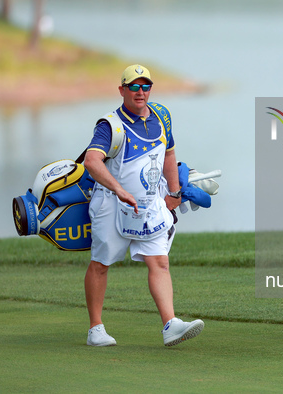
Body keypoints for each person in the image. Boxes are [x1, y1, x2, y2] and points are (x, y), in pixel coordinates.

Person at [83, 64, 204, 347]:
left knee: (159, 261)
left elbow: (169, 154)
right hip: (110, 204)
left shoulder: (161, 115)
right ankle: (95, 328)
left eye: (145, 86)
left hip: (149, 205)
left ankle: (170, 324)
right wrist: (120, 190)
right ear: (122, 90)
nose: (140, 92)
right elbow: (91, 161)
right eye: (134, 86)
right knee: (101, 264)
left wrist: (174, 192)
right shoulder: (110, 125)